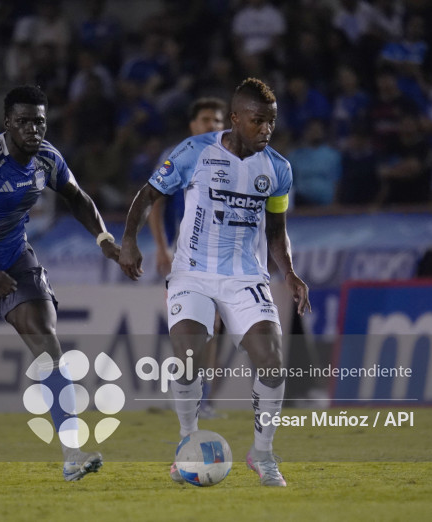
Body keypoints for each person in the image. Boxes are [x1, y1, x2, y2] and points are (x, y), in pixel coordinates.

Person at [119, 78, 311, 487]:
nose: (265, 130)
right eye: (258, 121)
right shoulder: (194, 152)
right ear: (237, 118)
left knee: (273, 363)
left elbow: (276, 232)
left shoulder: (278, 168)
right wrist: (130, 240)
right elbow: (148, 194)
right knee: (188, 356)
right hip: (192, 272)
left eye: (271, 124)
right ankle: (187, 442)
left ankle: (262, 454)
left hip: (245, 276)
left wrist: (289, 272)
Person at [0, 85, 120, 481]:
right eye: (24, 122)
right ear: (7, 124)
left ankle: (72, 453)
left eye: (40, 122)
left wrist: (104, 239)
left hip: (15, 258)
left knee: (45, 335)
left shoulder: (46, 157)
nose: (34, 129)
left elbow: (77, 196)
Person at [147, 97, 227, 419]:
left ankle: (201, 400)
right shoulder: (180, 155)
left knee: (215, 327)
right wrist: (161, 246)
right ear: (193, 125)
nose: (213, 126)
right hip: (188, 251)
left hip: (225, 253)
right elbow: (156, 201)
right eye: (206, 119)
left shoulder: (234, 157)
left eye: (218, 121)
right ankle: (190, 396)